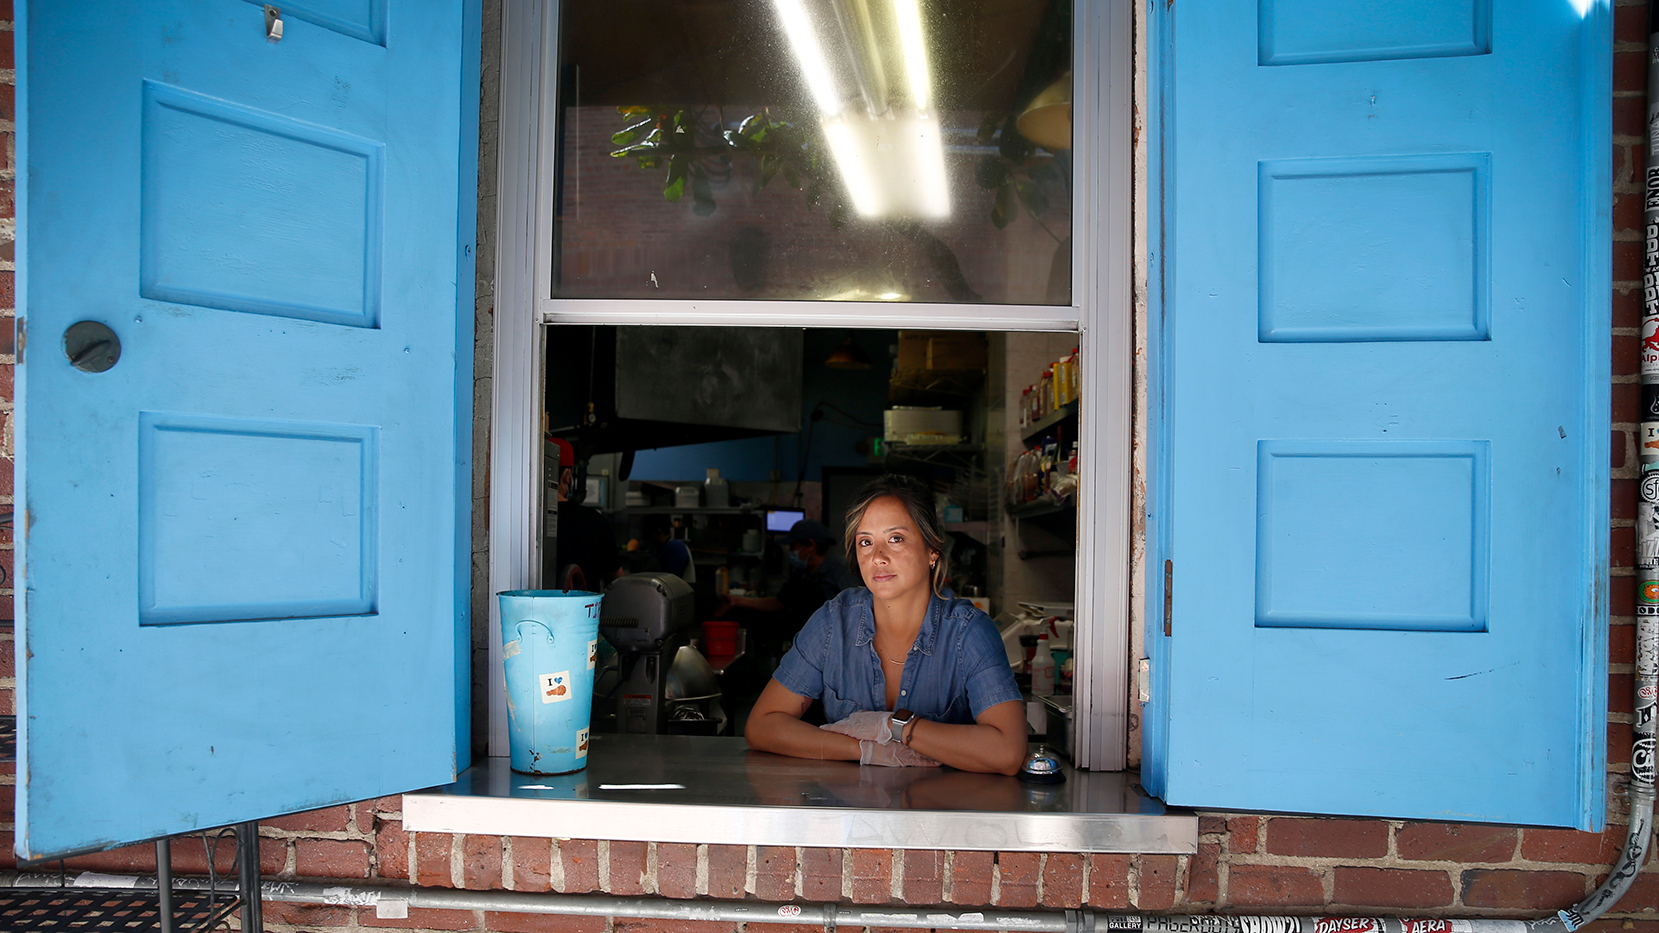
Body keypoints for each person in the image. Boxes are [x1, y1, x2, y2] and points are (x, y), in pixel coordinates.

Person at [743, 474, 1027, 774]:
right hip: (849, 816)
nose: (878, 556)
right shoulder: (832, 624)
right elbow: (762, 726)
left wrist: (894, 726)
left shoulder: (968, 632)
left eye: (896, 538)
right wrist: (864, 748)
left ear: (932, 549)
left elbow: (1008, 752)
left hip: (943, 814)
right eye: (866, 542)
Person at [718, 519, 855, 656]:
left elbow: (856, 615)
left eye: (793, 547)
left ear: (810, 545)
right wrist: (737, 601)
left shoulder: (840, 571)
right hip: (807, 646)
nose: (790, 552)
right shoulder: (801, 573)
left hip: (834, 649)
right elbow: (780, 602)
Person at [549, 437, 621, 590]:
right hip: (586, 612)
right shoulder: (594, 521)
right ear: (567, 475)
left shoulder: (526, 521)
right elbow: (617, 581)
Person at [639, 512, 697, 584]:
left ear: (658, 533)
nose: (649, 541)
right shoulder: (658, 550)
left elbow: (671, 582)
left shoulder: (676, 548)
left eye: (649, 537)